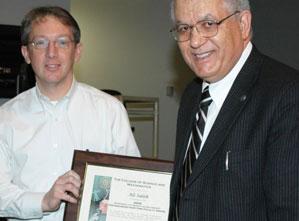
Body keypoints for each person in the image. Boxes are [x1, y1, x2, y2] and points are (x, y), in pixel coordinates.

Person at [0, 6, 140, 221]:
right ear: (26, 53)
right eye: (41, 43)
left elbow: (132, 183)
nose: (52, 52)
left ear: (78, 51)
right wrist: (44, 201)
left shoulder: (110, 110)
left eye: (62, 42)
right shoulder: (5, 118)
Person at [168, 0, 299, 220]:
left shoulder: (287, 96)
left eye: (208, 24)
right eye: (184, 28)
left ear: (243, 24)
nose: (195, 41)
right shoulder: (192, 96)